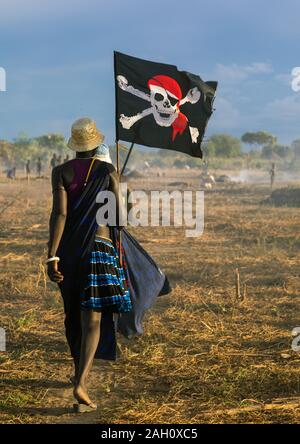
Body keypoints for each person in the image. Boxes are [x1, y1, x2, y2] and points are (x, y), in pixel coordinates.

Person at [47, 117, 170, 413]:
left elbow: (59, 216)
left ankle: (77, 369)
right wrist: (122, 197)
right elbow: (118, 219)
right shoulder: (107, 170)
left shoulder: (60, 172)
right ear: (95, 143)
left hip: (67, 252)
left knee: (71, 315)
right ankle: (81, 382)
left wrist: (51, 256)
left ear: (74, 144)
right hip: (98, 250)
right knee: (92, 321)